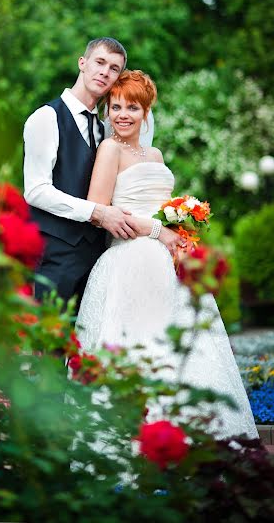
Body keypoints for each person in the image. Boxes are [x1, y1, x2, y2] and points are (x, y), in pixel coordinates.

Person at [75, 69, 258, 439]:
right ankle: (137, 431)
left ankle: (184, 430)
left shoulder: (153, 153)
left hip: (165, 260)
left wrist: (181, 227)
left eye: (132, 108)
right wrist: (161, 231)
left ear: (146, 112)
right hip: (130, 259)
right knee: (141, 344)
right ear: (107, 111)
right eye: (115, 107)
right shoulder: (109, 149)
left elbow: (157, 205)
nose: (123, 115)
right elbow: (99, 210)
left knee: (177, 344)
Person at [23, 38, 183, 307]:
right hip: (55, 258)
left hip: (99, 259)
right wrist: (97, 212)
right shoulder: (46, 117)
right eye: (99, 62)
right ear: (82, 63)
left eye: (113, 68)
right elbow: (36, 190)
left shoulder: (105, 130)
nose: (104, 72)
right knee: (47, 345)